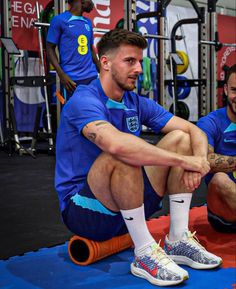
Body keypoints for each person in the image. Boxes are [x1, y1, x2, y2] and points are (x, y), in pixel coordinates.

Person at [55, 29, 222, 286]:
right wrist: (183, 162)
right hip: (85, 211)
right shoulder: (84, 99)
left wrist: (198, 162)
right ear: (105, 62)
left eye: (139, 62)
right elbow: (115, 144)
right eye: (129, 61)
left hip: (126, 206)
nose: (137, 69)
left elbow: (194, 130)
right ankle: (144, 253)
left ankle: (177, 239)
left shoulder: (135, 101)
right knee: (122, 151)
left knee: (181, 138)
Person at [197, 64, 236, 233]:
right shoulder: (210, 122)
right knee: (219, 179)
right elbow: (203, 159)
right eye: (235, 90)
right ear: (226, 90)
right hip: (224, 213)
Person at [46, 0, 99, 101]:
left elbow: (91, 49)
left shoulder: (88, 22)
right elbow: (49, 48)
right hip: (71, 80)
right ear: (81, 1)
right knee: (73, 114)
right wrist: (61, 75)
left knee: (92, 112)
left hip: (91, 77)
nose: (92, 4)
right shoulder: (59, 20)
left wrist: (101, 70)